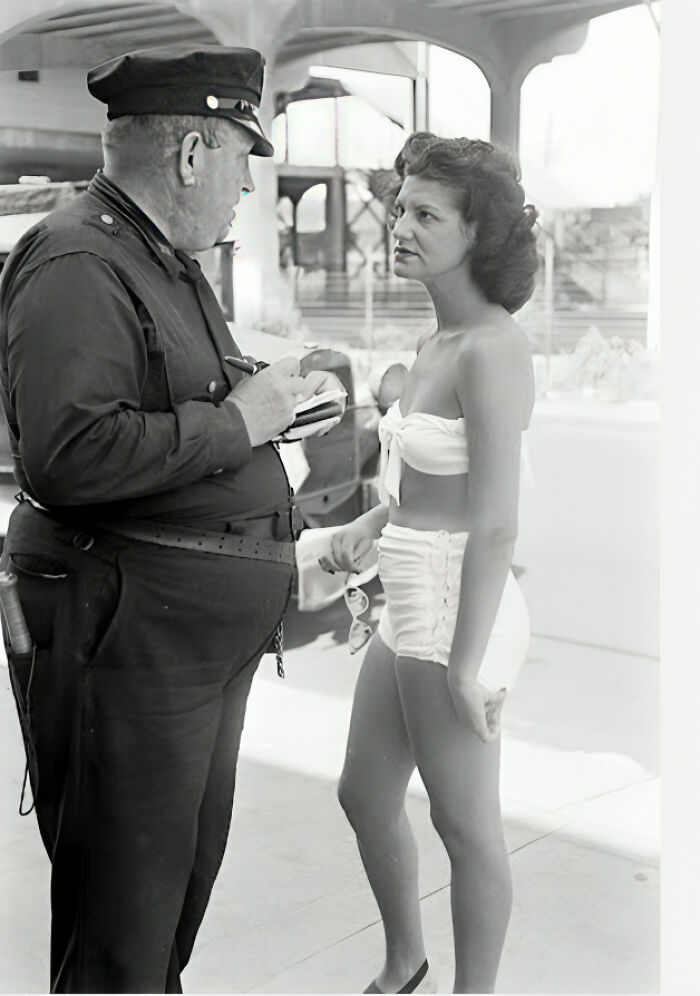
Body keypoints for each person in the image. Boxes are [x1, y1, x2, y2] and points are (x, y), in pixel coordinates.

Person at [0, 44, 343, 994]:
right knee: (121, 926)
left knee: (163, 907)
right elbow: (68, 455)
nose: (245, 187)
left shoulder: (165, 260)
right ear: (192, 152)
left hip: (182, 650)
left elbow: (172, 397)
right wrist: (241, 421)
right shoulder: (76, 258)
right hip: (124, 644)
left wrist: (273, 398)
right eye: (240, 158)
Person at [320, 132, 538, 994]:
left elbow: (494, 525)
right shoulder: (435, 343)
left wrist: (466, 664)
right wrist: (372, 523)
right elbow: (424, 482)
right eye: (400, 207)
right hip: (412, 589)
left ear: (478, 234)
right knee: (364, 794)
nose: (399, 226)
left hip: (459, 602)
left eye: (424, 213)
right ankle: (404, 962)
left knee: (466, 824)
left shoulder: (493, 347)